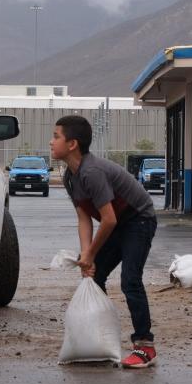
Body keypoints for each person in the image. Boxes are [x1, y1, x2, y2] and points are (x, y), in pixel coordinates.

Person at [50, 115, 159, 368]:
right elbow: (84, 218)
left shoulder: (91, 172)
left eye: (56, 136)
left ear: (72, 144)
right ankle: (97, 340)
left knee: (130, 280)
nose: (51, 142)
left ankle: (145, 346)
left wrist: (89, 254)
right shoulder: (70, 176)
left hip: (138, 219)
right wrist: (87, 256)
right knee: (93, 276)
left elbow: (107, 220)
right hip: (119, 223)